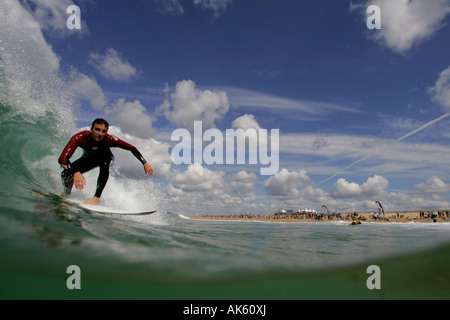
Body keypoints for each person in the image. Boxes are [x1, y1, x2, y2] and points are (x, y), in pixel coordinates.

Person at [58, 118, 153, 205]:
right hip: (89, 159)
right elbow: (62, 159)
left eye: (104, 131)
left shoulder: (109, 139)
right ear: (91, 129)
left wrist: (144, 163)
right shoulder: (80, 138)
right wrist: (76, 172)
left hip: (107, 158)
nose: (100, 134)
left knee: (104, 163)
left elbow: (131, 148)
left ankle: (96, 198)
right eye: (97, 129)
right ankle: (66, 194)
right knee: (66, 173)